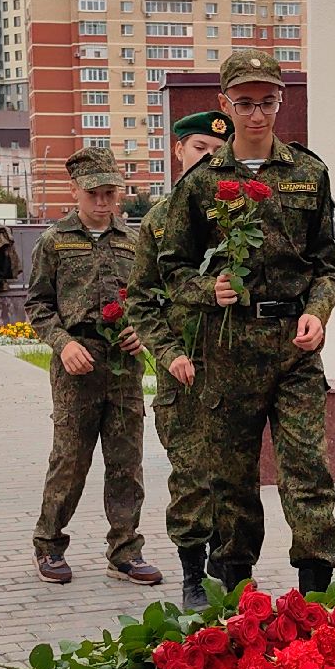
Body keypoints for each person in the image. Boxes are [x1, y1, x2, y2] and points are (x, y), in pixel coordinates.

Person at [156, 50, 335, 597]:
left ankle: (315, 596)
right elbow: (171, 270)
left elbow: (327, 270)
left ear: (281, 102)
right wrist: (207, 290)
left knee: (307, 471)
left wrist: (318, 312)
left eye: (267, 102)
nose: (257, 114)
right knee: (231, 478)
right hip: (229, 348)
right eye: (244, 103)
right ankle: (236, 596)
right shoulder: (201, 183)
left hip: (293, 349)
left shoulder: (309, 173)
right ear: (225, 104)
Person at [124, 110, 261, 608]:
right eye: (200, 147)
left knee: (238, 477)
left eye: (218, 150)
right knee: (191, 477)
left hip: (239, 367)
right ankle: (192, 577)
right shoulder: (160, 221)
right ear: (179, 150)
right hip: (185, 370)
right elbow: (141, 300)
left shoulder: (244, 216)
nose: (209, 157)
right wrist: (168, 351)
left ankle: (235, 571)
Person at [26, 147, 163, 587]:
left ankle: (125, 550)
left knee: (126, 460)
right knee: (70, 459)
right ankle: (49, 544)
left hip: (122, 363)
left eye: (109, 193)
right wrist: (63, 343)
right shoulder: (55, 241)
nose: (103, 202)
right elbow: (38, 306)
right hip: (77, 363)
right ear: (75, 191)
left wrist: (140, 330)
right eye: (93, 194)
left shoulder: (134, 242)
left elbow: (149, 298)